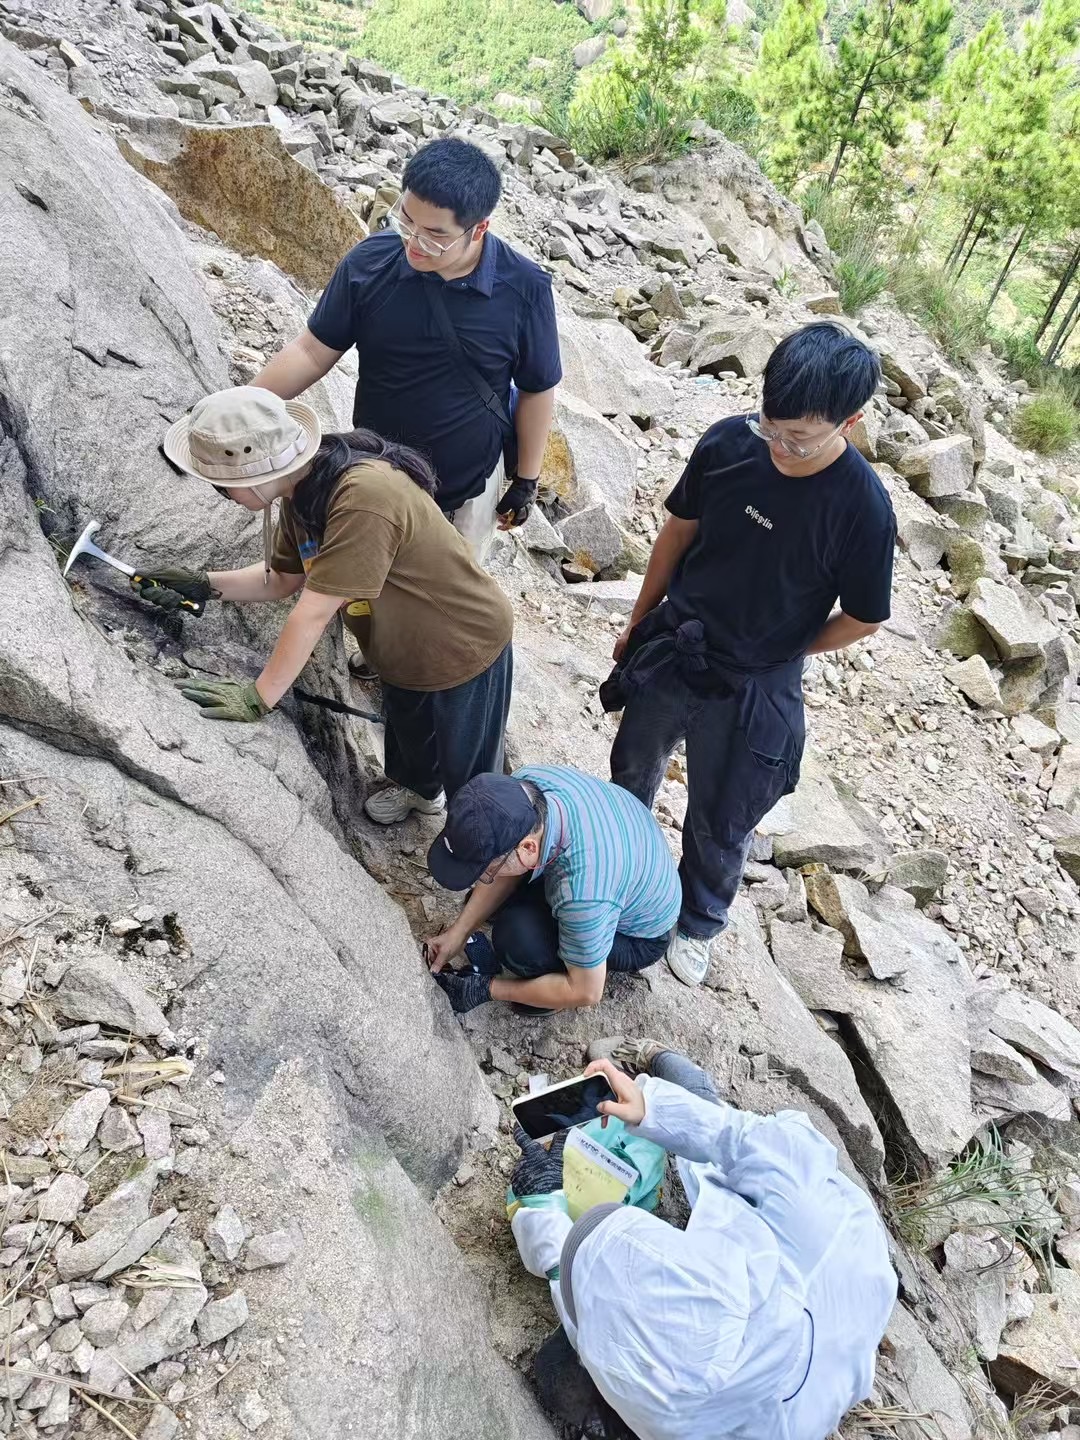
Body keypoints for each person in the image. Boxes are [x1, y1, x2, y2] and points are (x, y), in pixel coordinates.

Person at [606, 323, 896, 987]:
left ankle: (699, 919)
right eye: (773, 426)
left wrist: (787, 650)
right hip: (680, 640)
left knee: (722, 812)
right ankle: (623, 867)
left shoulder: (863, 510)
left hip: (755, 681)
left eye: (799, 438)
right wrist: (640, 617)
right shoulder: (731, 442)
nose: (781, 447)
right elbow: (678, 529)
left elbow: (863, 618)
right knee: (633, 763)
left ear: (849, 424)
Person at [132, 386, 513, 823]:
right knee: (410, 732)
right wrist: (202, 586)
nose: (222, 494)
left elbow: (313, 610)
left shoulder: (364, 496)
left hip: (464, 644)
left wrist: (259, 697)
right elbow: (282, 580)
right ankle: (420, 792)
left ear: (254, 475)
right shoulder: (302, 492)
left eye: (223, 486)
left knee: (472, 767)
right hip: (401, 646)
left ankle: (484, 846)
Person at [510, 1039, 898, 1440]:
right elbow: (733, 1137)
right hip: (837, 1278)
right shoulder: (805, 1201)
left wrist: (544, 1212)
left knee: (559, 1374)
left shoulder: (677, 1413)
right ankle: (660, 1058)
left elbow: (588, 1321)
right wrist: (649, 1109)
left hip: (798, 1365)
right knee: (706, 1123)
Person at [251, 136, 561, 565]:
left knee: (445, 609)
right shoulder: (370, 263)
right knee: (362, 592)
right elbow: (311, 351)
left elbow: (536, 388)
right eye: (407, 221)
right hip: (376, 474)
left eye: (436, 235)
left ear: (479, 229)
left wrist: (526, 478)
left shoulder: (524, 288)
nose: (414, 242)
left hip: (467, 486)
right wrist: (246, 405)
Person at [422, 766, 680, 1015]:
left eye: (485, 871)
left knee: (519, 940)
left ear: (529, 849)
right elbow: (508, 852)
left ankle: (551, 993)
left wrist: (488, 989)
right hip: (628, 847)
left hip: (640, 935)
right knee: (496, 903)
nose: (482, 878)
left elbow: (588, 991)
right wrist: (459, 932)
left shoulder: (584, 894)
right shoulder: (524, 788)